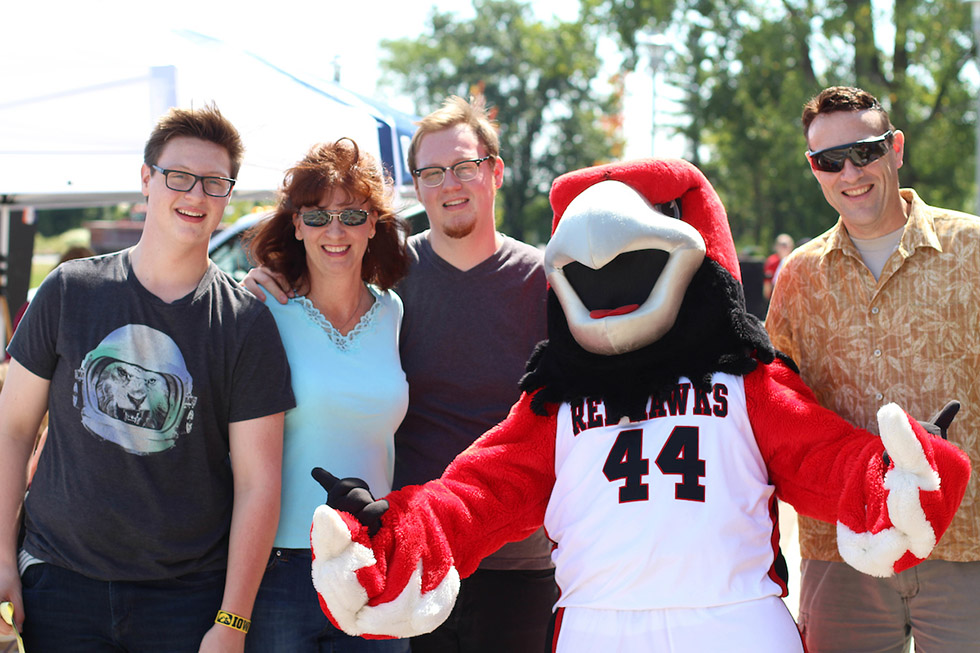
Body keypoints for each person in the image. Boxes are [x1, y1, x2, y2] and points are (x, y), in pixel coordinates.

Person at [247, 95, 557, 653]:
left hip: (518, 553)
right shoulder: (393, 281)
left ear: (495, 171)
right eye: (432, 172)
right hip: (409, 552)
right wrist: (262, 279)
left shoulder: (545, 281)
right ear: (417, 185)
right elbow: (323, 256)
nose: (450, 183)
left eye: (464, 166)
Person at [0, 104, 294, 652]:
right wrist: (0, 562)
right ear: (146, 179)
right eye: (178, 176)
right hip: (60, 583)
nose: (196, 195)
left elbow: (260, 484)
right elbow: (12, 431)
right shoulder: (69, 291)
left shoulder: (245, 323)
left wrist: (232, 621)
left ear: (229, 195)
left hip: (185, 597)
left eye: (214, 182)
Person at [766, 85, 980, 652]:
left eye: (865, 151)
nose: (849, 172)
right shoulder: (797, 278)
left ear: (897, 148)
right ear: (814, 169)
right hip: (844, 547)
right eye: (829, 160)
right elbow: (776, 410)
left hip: (966, 541)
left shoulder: (974, 249)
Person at [242, 138, 411, 652]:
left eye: (351, 215)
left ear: (373, 224)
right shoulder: (261, 307)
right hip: (281, 570)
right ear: (295, 225)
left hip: (373, 563)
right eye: (316, 217)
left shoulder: (394, 313)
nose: (333, 232)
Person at [761, 233, 793, 300]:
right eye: (781, 245)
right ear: (776, 246)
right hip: (774, 296)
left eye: (786, 245)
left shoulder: (794, 261)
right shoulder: (772, 261)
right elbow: (767, 283)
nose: (784, 248)